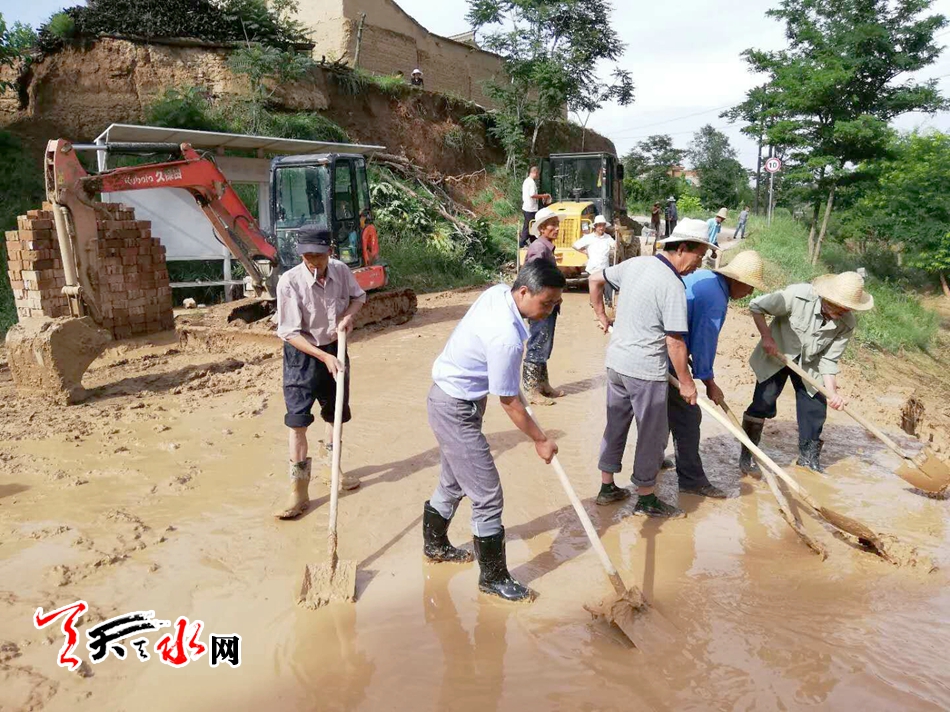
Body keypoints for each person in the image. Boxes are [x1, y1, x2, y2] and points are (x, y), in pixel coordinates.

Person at [422, 260, 565, 602]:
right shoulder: (506, 339)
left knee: (454, 481)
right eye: (546, 303)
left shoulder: (498, 293)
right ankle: (494, 578)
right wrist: (540, 439)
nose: (548, 312)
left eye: (555, 305)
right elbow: (510, 402)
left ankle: (435, 545)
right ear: (523, 291)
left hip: (450, 398)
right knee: (487, 495)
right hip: (455, 408)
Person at [588, 220, 712, 516]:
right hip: (645, 371)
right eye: (699, 256)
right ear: (682, 249)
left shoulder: (635, 264)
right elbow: (674, 342)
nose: (698, 264)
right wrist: (687, 383)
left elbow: (594, 279)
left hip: (616, 364)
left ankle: (607, 487)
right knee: (651, 435)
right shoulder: (672, 285)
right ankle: (645, 498)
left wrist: (601, 315)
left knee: (615, 425)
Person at [740, 271, 874, 475]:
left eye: (846, 308)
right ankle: (748, 452)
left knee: (815, 409)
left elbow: (829, 360)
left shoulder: (846, 323)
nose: (841, 312)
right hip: (777, 353)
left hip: (810, 364)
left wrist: (832, 393)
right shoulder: (797, 295)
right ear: (827, 297)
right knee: (763, 402)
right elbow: (756, 306)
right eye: (837, 306)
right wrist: (767, 337)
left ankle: (808, 460)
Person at [275, 228, 366, 519]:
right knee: (298, 422)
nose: (312, 260)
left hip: (335, 349)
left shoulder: (341, 271)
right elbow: (288, 332)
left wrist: (348, 316)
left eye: (318, 254)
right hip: (302, 356)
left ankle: (333, 470)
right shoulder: (289, 282)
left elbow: (358, 297)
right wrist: (323, 356)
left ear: (330, 251)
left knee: (334, 415)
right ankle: (298, 490)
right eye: (307, 255)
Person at [668, 251, 767, 499]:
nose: (749, 293)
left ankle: (653, 461)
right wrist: (709, 382)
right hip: (668, 352)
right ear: (736, 280)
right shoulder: (715, 299)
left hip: (661, 346)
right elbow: (704, 343)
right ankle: (691, 481)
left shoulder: (705, 278)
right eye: (749, 286)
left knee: (661, 410)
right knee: (689, 417)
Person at [522, 206, 564, 405]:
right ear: (541, 228)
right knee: (538, 342)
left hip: (547, 304)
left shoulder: (545, 247)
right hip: (540, 305)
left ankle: (543, 385)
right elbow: (536, 277)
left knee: (545, 342)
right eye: (552, 225)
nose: (557, 228)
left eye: (557, 224)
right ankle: (531, 390)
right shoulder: (539, 249)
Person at [520, 166, 551, 248]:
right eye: (538, 174)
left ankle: (532, 241)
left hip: (527, 207)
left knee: (530, 225)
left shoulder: (526, 181)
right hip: (530, 208)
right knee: (531, 226)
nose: (538, 176)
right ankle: (523, 243)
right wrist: (543, 196)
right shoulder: (531, 183)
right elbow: (532, 195)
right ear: (535, 173)